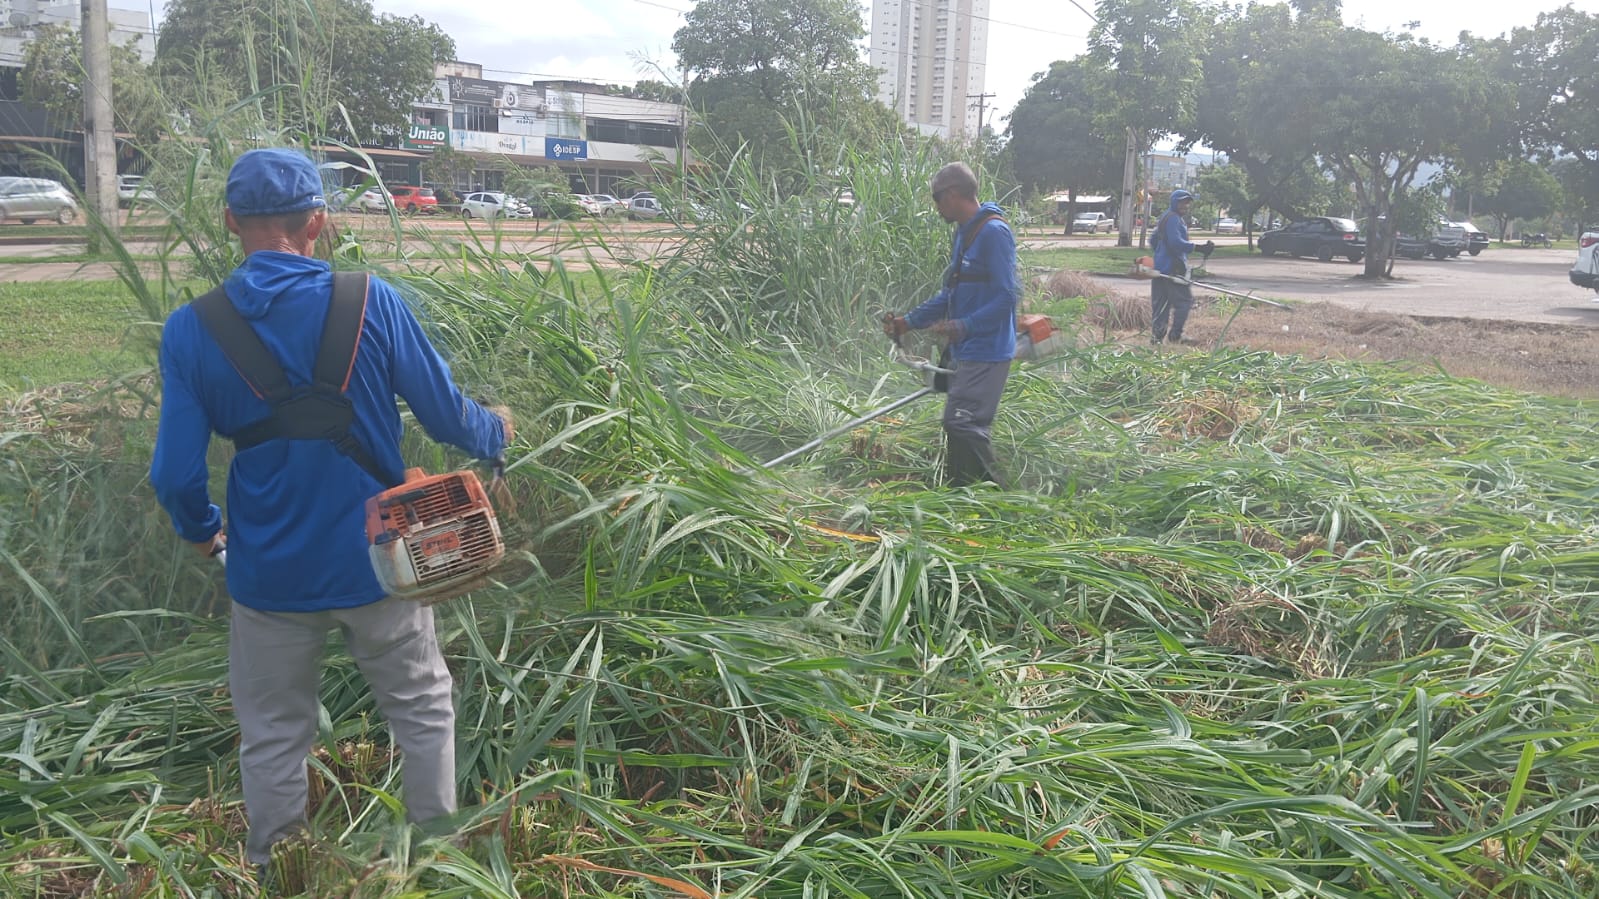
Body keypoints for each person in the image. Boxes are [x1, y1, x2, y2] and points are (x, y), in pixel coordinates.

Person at [148, 147, 511, 870]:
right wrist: (497, 430)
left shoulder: (194, 328)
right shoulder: (370, 299)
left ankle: (277, 867)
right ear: (318, 221)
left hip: (267, 578)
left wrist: (204, 535)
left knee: (275, 731)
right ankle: (430, 861)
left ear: (230, 222)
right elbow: (446, 418)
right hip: (385, 564)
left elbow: (175, 473)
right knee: (420, 706)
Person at [882, 162, 1019, 487]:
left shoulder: (993, 233)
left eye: (937, 198)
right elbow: (951, 292)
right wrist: (908, 322)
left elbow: (1007, 298)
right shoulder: (966, 234)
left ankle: (995, 497)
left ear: (953, 194)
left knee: (962, 423)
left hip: (988, 349)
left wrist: (963, 325)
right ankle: (962, 494)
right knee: (959, 424)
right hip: (968, 348)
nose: (936, 205)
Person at [1150, 189, 1214, 345]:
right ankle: (1176, 335)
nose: (1185, 205)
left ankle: (1156, 338)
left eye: (1187, 202)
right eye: (1181, 202)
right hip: (1173, 269)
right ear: (1174, 202)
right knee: (1184, 302)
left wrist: (1160, 254)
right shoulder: (1174, 219)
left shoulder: (1165, 217)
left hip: (1160, 268)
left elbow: (1153, 240)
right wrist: (1198, 248)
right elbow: (1175, 243)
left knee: (1161, 305)